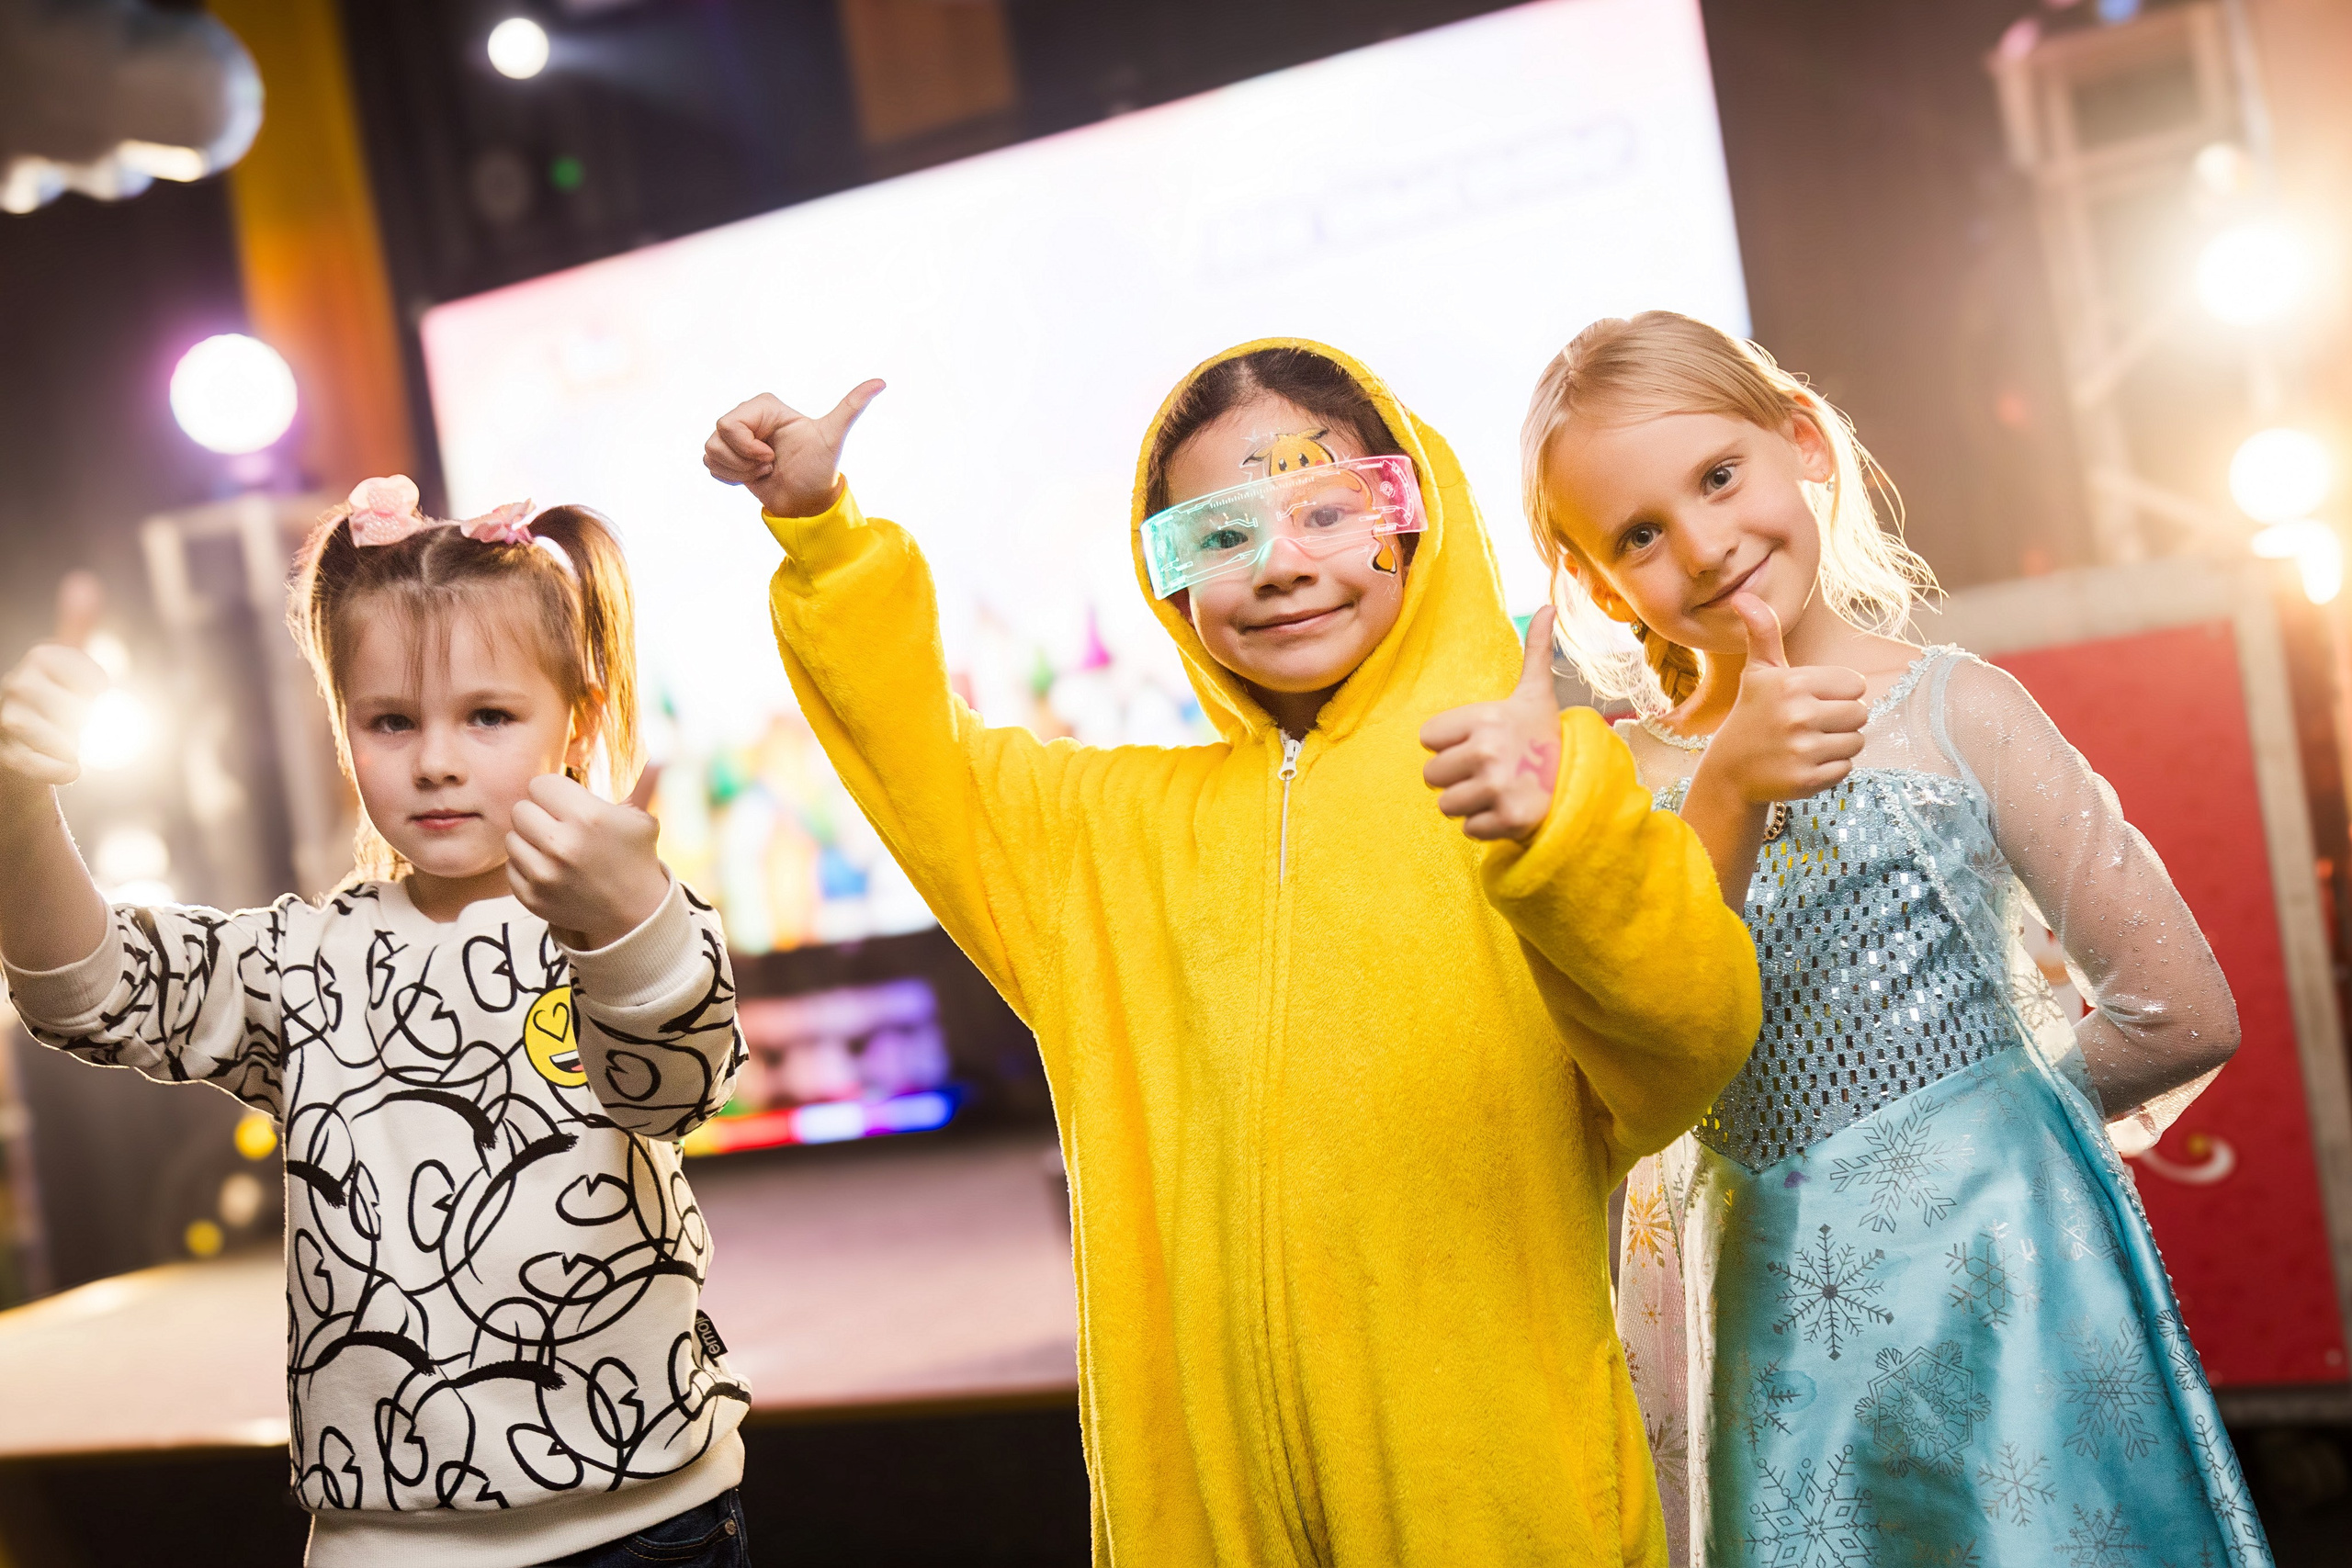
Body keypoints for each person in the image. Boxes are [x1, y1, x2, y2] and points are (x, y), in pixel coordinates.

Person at [701, 339, 1760, 1564]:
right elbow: (913, 753)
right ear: (1166, 580)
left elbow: (1690, 1042)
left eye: (1329, 508)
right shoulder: (1106, 841)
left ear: (1414, 517)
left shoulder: (1532, 789)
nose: (1281, 565)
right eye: (1217, 535)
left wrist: (1561, 836)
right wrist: (823, 533)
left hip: (1498, 1506)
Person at [1521, 310, 2270, 1567]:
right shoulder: (1608, 786)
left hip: (2013, 1309)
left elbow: (2181, 1005)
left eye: (1718, 476)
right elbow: (1614, 1082)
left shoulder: (1958, 707)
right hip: (1783, 1348)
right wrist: (1728, 791)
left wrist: (1967, 1144)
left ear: (1802, 443)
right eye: (1639, 534)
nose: (1704, 544)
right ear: (1596, 584)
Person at [0, 479, 752, 1568]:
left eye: (489, 716)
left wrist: (624, 921)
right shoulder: (301, 960)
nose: (436, 759)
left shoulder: (627, 925)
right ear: (342, 726)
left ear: (579, 717)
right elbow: (84, 990)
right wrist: (22, 799)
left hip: (651, 1525)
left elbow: (673, 1088)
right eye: (391, 720)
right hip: (388, 1545)